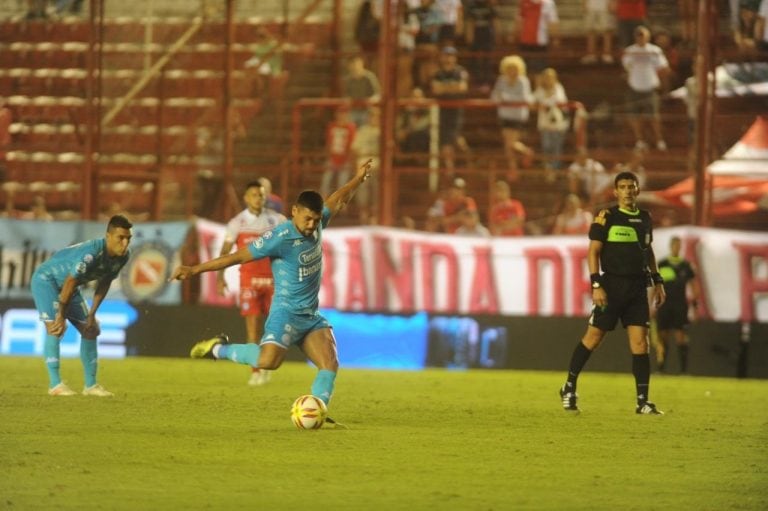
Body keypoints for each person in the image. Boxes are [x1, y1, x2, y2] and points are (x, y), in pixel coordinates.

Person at [172, 159, 374, 424]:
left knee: (330, 364)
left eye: (315, 220)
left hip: (310, 316)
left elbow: (338, 199)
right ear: (293, 212)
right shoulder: (280, 237)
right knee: (268, 362)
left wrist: (358, 178)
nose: (312, 225)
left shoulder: (319, 221)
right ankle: (218, 349)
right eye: (307, 219)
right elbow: (239, 257)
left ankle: (318, 409)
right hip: (285, 315)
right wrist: (194, 270)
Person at [558, 171, 666, 415]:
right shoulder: (606, 217)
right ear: (616, 192)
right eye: (623, 187)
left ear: (638, 190)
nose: (628, 191)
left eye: (631, 186)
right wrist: (596, 285)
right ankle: (569, 386)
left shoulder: (646, 218)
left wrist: (657, 281)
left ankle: (642, 401)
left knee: (641, 343)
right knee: (593, 338)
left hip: (638, 287)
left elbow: (647, 250)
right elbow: (593, 252)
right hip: (611, 286)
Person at [31, 215, 134, 396]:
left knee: (91, 329)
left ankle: (91, 386)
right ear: (108, 236)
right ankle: (55, 385)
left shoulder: (123, 257)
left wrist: (92, 314)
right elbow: (71, 280)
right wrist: (61, 316)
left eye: (128, 238)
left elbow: (105, 282)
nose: (125, 243)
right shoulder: (91, 254)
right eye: (120, 238)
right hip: (47, 280)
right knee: (55, 328)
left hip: (70, 287)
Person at [217, 181, 286, 386]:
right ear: (246, 198)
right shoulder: (237, 223)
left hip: (273, 281)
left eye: (262, 195)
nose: (259, 198)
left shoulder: (278, 220)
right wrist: (220, 278)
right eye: (254, 195)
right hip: (249, 282)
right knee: (252, 329)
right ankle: (256, 370)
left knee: (273, 328)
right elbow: (225, 253)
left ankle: (266, 364)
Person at [654, 236, 700, 374]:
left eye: (679, 245)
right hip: (664, 305)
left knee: (681, 336)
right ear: (671, 246)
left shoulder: (686, 266)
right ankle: (661, 369)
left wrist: (695, 306)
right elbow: (655, 285)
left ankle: (683, 371)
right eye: (675, 245)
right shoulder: (662, 264)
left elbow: (694, 286)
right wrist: (652, 305)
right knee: (663, 336)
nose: (677, 247)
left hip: (680, 305)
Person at [622, 25, 669, 151]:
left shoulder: (655, 51)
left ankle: (659, 140)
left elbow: (663, 67)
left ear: (648, 37)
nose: (641, 38)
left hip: (650, 87)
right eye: (638, 35)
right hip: (635, 86)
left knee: (654, 116)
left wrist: (663, 86)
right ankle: (640, 140)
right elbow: (627, 66)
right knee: (634, 116)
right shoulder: (630, 51)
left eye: (643, 36)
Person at [490, 55, 534, 182]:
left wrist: (506, 98)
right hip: (505, 115)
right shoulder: (501, 80)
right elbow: (495, 96)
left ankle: (523, 155)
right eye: (509, 68)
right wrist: (501, 98)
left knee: (510, 143)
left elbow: (524, 98)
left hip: (517, 116)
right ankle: (513, 167)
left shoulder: (523, 81)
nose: (511, 71)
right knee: (508, 145)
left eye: (514, 68)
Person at [430, 46, 470, 177]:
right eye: (445, 55)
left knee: (455, 137)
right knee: (445, 139)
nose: (448, 59)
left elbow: (462, 87)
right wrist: (452, 87)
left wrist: (445, 88)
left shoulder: (460, 72)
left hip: (456, 110)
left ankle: (465, 160)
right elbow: (436, 89)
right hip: (441, 110)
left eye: (450, 56)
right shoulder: (438, 73)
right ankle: (450, 168)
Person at [533, 67, 569, 180]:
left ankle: (555, 171)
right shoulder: (540, 90)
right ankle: (548, 170)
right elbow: (532, 100)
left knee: (556, 148)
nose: (548, 80)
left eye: (550, 77)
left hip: (558, 125)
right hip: (545, 124)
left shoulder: (558, 88)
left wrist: (547, 101)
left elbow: (562, 101)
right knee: (546, 147)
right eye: (546, 77)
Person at [321, 105, 357, 200]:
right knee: (326, 180)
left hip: (346, 159)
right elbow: (328, 143)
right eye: (340, 113)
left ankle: (341, 204)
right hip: (333, 158)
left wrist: (349, 159)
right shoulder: (331, 126)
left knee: (342, 183)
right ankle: (322, 202)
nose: (342, 116)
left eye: (344, 114)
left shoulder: (351, 127)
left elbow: (352, 145)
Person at [343, 55, 381, 128]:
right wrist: (347, 100)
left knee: (365, 127)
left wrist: (371, 100)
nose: (355, 67)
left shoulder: (369, 77)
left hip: (367, 110)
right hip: (353, 110)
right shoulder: (348, 80)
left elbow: (377, 94)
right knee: (349, 126)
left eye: (356, 64)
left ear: (361, 64)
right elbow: (346, 95)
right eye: (352, 64)